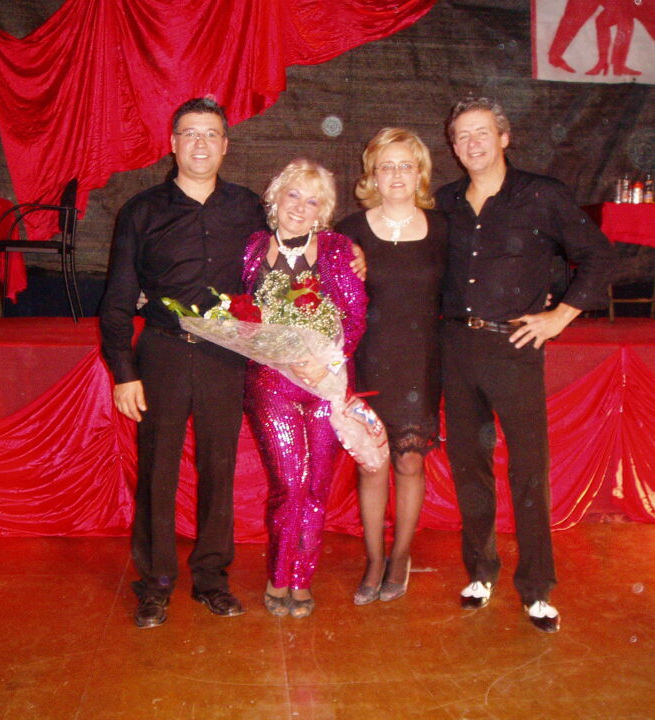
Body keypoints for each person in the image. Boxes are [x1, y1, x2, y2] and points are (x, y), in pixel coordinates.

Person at [435, 96, 615, 633]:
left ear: (504, 137)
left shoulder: (543, 194)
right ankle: (481, 571)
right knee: (470, 469)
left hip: (515, 349)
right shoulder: (442, 201)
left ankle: (536, 588)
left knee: (529, 474)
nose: (472, 143)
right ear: (453, 146)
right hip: (455, 350)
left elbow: (601, 256)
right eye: (462, 135)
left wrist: (560, 316)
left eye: (481, 132)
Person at [99, 97, 268, 629]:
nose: (200, 143)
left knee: (220, 468)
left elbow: (290, 262)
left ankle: (212, 580)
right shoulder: (141, 211)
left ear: (225, 145)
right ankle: (156, 584)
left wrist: (344, 254)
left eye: (211, 134)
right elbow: (119, 298)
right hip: (163, 354)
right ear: (172, 144)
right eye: (190, 134)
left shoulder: (249, 208)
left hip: (226, 355)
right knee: (157, 472)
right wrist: (125, 372)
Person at [242, 159, 367, 619]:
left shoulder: (337, 249)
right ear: (275, 198)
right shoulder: (253, 249)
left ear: (323, 211)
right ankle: (278, 574)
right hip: (271, 382)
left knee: (316, 487)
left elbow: (355, 318)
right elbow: (239, 311)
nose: (300, 206)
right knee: (288, 484)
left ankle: (301, 580)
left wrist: (327, 363)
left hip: (325, 383)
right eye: (293, 195)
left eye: (313, 200)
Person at [335, 128, 447, 605]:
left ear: (419, 172)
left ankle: (400, 555)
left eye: (406, 165)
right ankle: (375, 558)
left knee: (409, 459)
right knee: (372, 463)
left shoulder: (443, 228)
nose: (397, 174)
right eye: (387, 166)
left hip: (422, 360)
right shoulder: (350, 230)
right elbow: (331, 299)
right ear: (372, 176)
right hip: (369, 360)